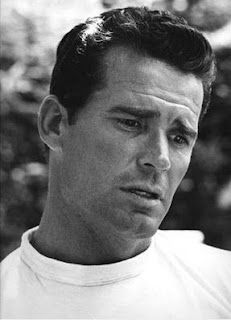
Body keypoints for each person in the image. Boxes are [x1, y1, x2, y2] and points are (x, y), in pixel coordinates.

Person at [1, 6, 231, 319]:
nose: (160, 159)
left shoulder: (221, 287)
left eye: (179, 138)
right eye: (132, 123)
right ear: (55, 124)